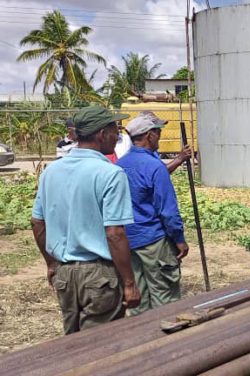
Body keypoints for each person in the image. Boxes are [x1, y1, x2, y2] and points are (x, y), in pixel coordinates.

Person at [31, 106, 141, 334]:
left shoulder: (51, 172)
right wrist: (129, 283)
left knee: (74, 344)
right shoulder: (110, 173)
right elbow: (115, 233)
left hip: (65, 275)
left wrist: (51, 263)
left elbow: (37, 222)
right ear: (102, 134)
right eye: (114, 130)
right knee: (100, 346)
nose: (117, 136)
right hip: (98, 275)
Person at [116, 115, 189, 315]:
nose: (160, 137)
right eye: (158, 133)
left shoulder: (119, 166)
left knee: (138, 303)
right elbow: (167, 211)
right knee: (165, 300)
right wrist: (179, 239)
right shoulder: (155, 167)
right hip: (154, 241)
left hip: (129, 242)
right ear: (149, 136)